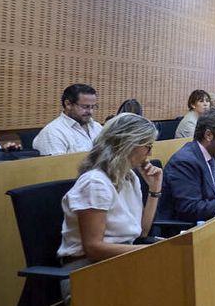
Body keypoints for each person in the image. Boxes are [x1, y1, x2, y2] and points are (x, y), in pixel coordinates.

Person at [56, 114, 162, 285]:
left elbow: (142, 232)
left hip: (120, 261)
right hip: (87, 272)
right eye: (147, 146)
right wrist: (150, 251)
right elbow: (93, 248)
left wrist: (154, 189)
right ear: (128, 144)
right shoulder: (95, 183)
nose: (150, 153)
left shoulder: (129, 177)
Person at [34, 84, 101, 155]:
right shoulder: (53, 133)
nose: (90, 111)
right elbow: (57, 165)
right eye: (85, 107)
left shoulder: (97, 127)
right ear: (68, 104)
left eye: (93, 107)